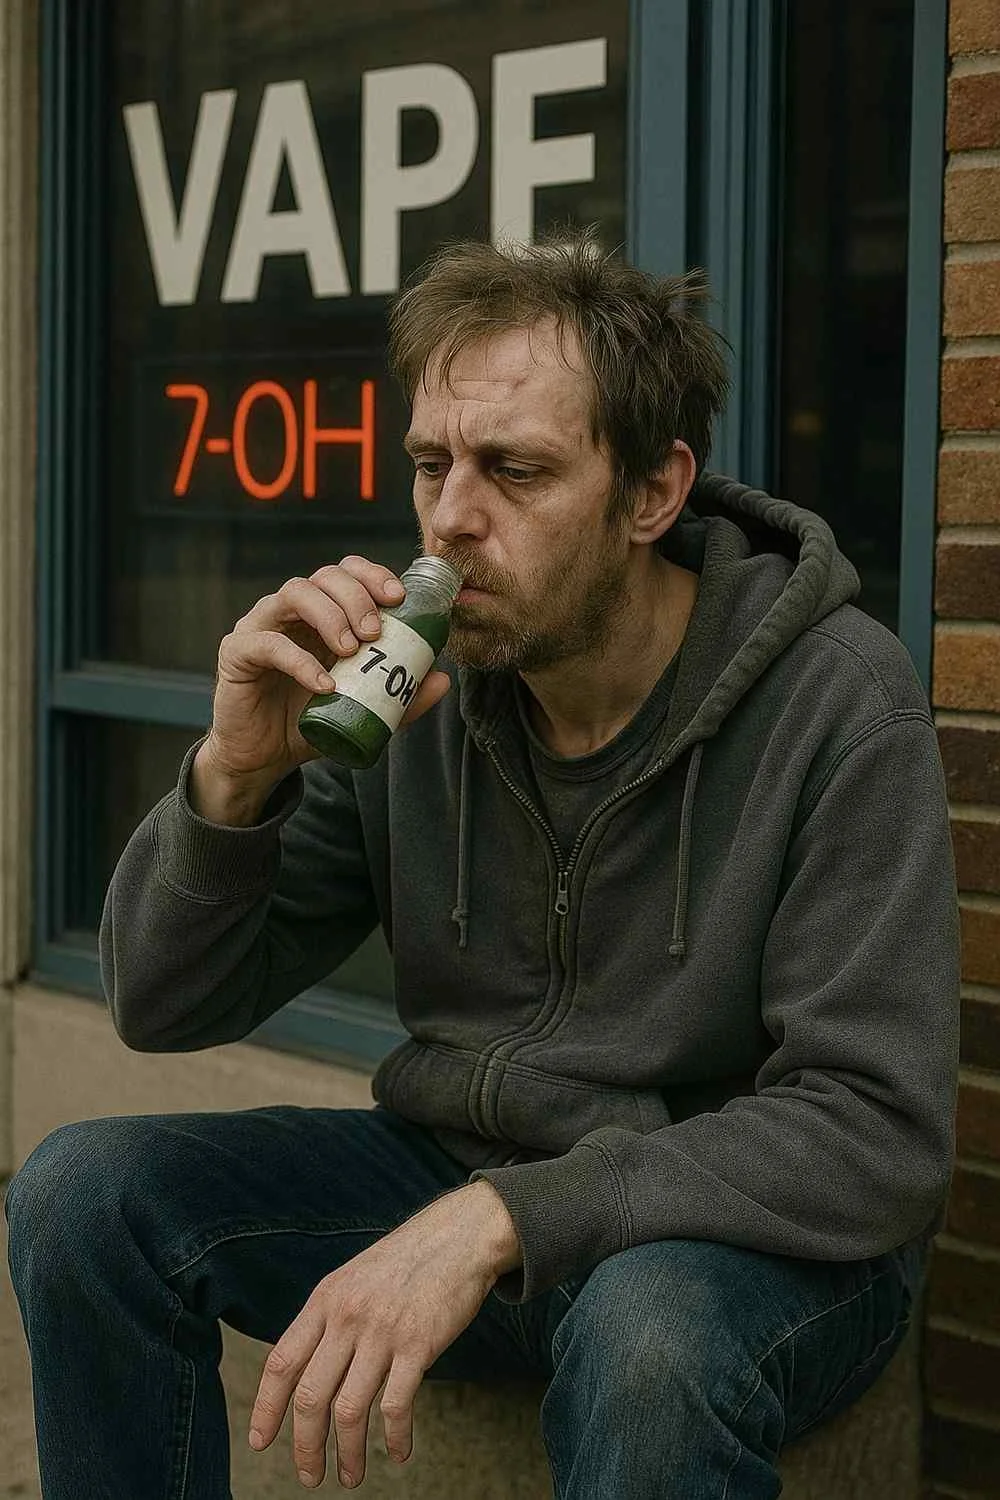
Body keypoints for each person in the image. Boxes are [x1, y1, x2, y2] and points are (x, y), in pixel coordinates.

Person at [6, 234, 959, 1499]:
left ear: (651, 495)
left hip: (733, 1238)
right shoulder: (420, 693)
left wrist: (504, 1220)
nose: (451, 518)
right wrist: (233, 780)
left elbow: (874, 1129)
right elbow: (163, 1004)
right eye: (431, 464)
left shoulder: (836, 701)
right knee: (83, 1196)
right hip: (461, 1174)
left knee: (650, 1343)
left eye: (514, 470)